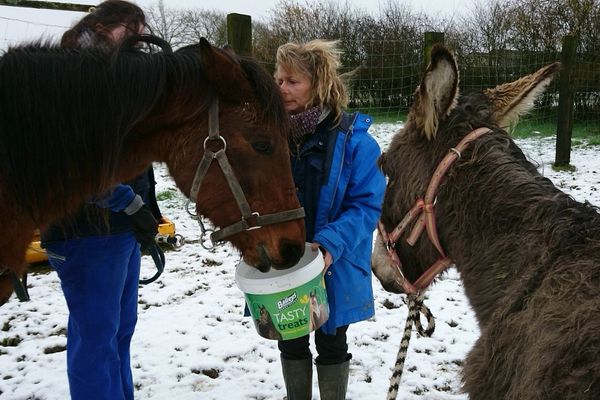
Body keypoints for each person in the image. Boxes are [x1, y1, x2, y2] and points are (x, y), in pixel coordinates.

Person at [40, 1, 160, 399]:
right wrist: (131, 204)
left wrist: (146, 208)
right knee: (95, 340)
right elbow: (76, 166)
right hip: (84, 232)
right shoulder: (72, 77)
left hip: (118, 231)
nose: (140, 43)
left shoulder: (113, 78)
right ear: (106, 27)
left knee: (119, 333)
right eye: (134, 33)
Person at [274, 40, 386, 400]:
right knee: (290, 338)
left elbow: (367, 207)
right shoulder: (270, 140)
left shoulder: (357, 144)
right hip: (284, 260)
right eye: (278, 80)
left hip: (332, 262)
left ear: (319, 84)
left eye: (292, 81)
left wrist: (329, 245)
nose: (281, 88)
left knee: (331, 340)